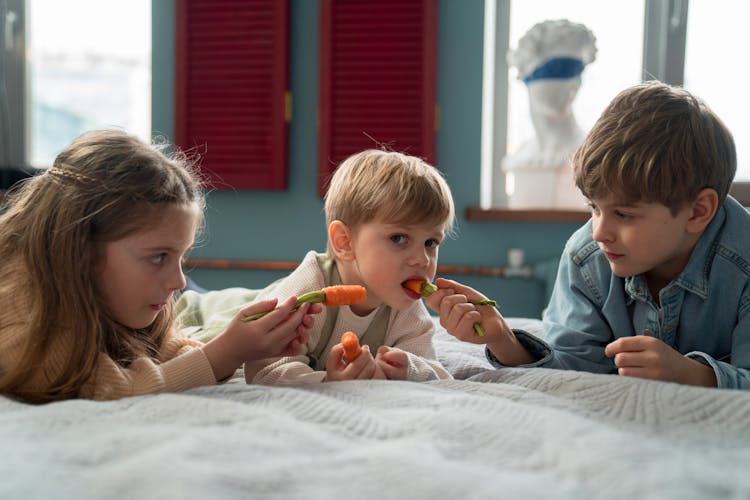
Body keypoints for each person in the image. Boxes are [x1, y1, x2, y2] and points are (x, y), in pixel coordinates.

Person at [427, 81, 750, 390]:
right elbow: (574, 367)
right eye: (594, 207)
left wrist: (694, 375)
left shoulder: (742, 265)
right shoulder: (587, 257)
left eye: (624, 214)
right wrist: (503, 339)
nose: (599, 232)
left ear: (697, 212)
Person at [0, 129, 319, 403]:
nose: (178, 281)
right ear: (79, 249)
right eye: (158, 257)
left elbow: (167, 352)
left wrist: (250, 347)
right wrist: (225, 353)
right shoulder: (21, 308)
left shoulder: (117, 295)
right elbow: (111, 391)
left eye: (181, 257)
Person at [200, 149, 454, 384]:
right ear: (344, 242)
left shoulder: (404, 303)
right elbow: (265, 367)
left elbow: (436, 371)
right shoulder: (310, 289)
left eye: (431, 242)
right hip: (215, 313)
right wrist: (325, 383)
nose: (422, 259)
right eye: (399, 238)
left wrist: (408, 369)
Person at [502, 19, 596, 209]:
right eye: (560, 71)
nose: (574, 83)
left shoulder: (591, 154)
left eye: (578, 71)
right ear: (528, 76)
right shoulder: (522, 156)